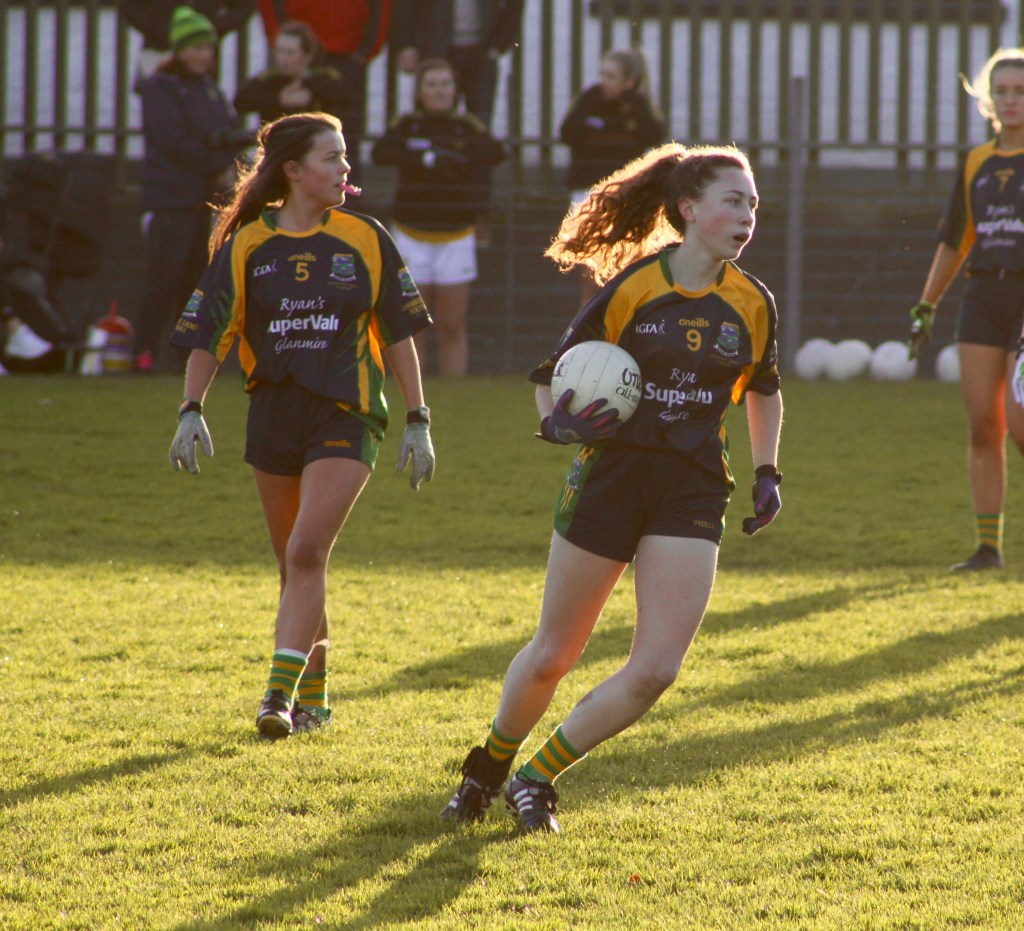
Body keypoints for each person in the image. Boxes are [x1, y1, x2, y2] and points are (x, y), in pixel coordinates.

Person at [439, 143, 783, 833]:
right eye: (733, 200)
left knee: (656, 670)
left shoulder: (753, 302)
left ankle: (537, 777)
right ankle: (489, 766)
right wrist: (557, 425)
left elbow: (765, 390)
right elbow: (553, 374)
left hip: (692, 487)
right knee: (553, 654)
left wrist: (768, 471)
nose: (748, 214)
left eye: (753, 203)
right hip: (612, 478)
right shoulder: (635, 287)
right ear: (690, 208)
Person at [167, 112, 435, 740]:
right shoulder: (248, 244)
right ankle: (315, 698)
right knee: (294, 566)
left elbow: (398, 334)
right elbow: (212, 333)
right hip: (273, 415)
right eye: (331, 157)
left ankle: (277, 697)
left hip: (347, 411)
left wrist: (418, 418)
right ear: (293, 170)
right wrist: (190, 408)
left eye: (345, 156)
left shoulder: (365, 237)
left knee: (308, 549)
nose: (346, 168)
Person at [906, 47, 1024, 572]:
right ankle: (988, 549)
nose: (1011, 100)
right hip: (982, 299)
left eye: (1020, 91)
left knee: (1021, 426)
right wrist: (926, 303)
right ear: (988, 98)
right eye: (1002, 91)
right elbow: (956, 240)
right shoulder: (976, 161)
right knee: (982, 426)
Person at [134, 6, 255, 372]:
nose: (204, 55)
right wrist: (217, 165)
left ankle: (180, 356)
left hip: (202, 201)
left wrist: (235, 150)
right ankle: (144, 353)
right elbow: (173, 142)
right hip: (171, 200)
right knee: (164, 279)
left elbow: (221, 133)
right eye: (196, 47)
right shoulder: (160, 88)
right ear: (179, 49)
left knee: (193, 282)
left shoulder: (208, 88)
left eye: (208, 48)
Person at [372, 58, 506, 376]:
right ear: (420, 90)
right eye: (432, 84)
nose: (439, 90)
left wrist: (456, 156)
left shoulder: (466, 126)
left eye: (446, 84)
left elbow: (495, 152)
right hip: (410, 233)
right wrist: (422, 157)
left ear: (455, 89)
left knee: (451, 323)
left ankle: (454, 389)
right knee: (414, 322)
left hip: (456, 234)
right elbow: (380, 153)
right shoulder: (407, 125)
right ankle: (415, 391)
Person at [559, 48, 665, 306]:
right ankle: (589, 325)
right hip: (589, 193)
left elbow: (654, 134)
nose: (603, 82)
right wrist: (587, 102)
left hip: (625, 194)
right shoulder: (591, 100)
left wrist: (633, 100)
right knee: (589, 272)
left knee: (624, 265)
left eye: (611, 77)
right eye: (602, 75)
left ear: (629, 82)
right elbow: (567, 134)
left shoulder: (637, 108)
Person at [257, 0, 390, 180]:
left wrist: (365, 52)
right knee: (291, 132)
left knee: (344, 135)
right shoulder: (274, 76)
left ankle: (343, 191)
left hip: (347, 54)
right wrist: (283, 41)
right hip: (300, 46)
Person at [390, 0, 524, 128]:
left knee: (479, 121)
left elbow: (514, 4)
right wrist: (406, 44)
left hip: (482, 52)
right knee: (432, 117)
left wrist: (500, 43)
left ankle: (475, 145)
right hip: (436, 47)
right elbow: (405, 5)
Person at [120, 0, 256, 92]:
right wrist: (159, 30)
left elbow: (245, 6)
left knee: (202, 107)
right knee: (156, 104)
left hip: (201, 54)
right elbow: (129, 6)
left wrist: (213, 28)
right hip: (159, 49)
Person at [234, 19, 351, 125]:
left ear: (308, 55)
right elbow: (240, 101)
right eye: (280, 51)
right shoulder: (270, 80)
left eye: (290, 52)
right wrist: (279, 100)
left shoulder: (324, 80)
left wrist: (310, 94)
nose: (283, 58)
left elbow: (346, 98)